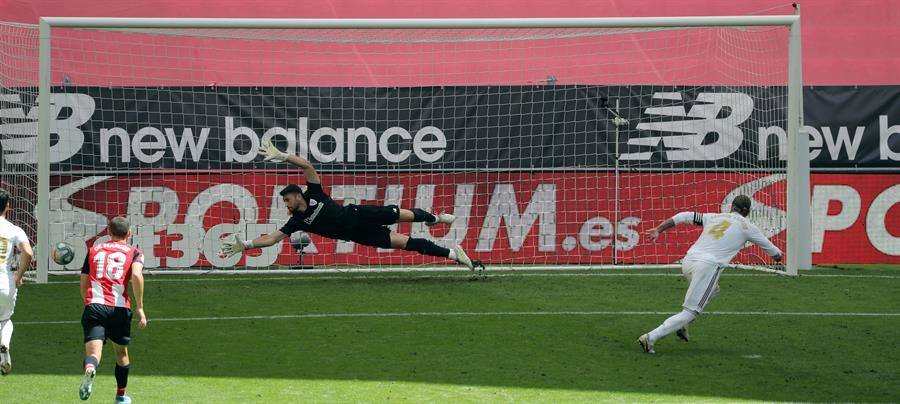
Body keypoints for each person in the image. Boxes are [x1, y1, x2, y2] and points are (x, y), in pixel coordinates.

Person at [221, 140, 477, 270]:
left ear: (297, 196)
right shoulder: (297, 221)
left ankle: (436, 218)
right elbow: (273, 238)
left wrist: (283, 156)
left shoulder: (314, 193)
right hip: (359, 234)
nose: (286, 205)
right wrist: (247, 244)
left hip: (361, 213)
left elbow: (308, 166)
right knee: (407, 244)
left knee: (406, 215)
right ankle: (455, 255)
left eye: (287, 200)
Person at [638, 195, 782, 353]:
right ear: (747, 212)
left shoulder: (713, 217)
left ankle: (683, 325)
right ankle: (650, 338)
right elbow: (775, 253)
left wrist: (658, 229)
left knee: (714, 290)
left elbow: (682, 216)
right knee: (690, 312)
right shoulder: (748, 227)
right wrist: (780, 257)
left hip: (688, 261)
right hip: (707, 267)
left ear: (732, 207)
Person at [79, 217, 147, 403]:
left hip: (95, 306)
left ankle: (90, 369)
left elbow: (83, 285)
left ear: (108, 231)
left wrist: (91, 304)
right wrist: (140, 307)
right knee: (121, 354)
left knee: (93, 354)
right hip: (119, 309)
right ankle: (120, 396)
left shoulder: (93, 251)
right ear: (129, 233)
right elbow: (136, 274)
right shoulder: (135, 253)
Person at [0, 188, 33, 376]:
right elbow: (28, 252)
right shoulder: (14, 229)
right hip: (5, 281)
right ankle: (4, 343)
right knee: (5, 319)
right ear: (7, 207)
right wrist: (19, 275)